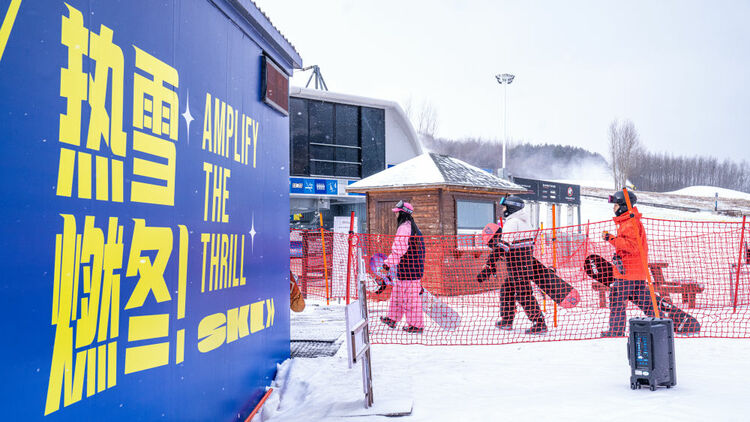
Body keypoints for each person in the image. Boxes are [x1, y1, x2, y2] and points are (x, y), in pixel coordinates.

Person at [478, 195, 548, 335]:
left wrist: (489, 265)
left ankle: (539, 323)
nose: (503, 209)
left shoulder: (513, 222)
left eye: (505, 207)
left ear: (511, 207)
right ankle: (507, 320)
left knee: (523, 294)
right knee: (507, 289)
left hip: (518, 265)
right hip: (524, 263)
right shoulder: (525, 222)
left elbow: (503, 246)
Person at [600, 189, 655, 337]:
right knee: (646, 303)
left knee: (617, 300)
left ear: (623, 206)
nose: (614, 208)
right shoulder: (629, 221)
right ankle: (660, 323)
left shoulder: (629, 223)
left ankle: (616, 331)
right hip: (635, 272)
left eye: (616, 205)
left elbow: (631, 246)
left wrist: (610, 238)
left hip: (627, 274)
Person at [378, 201, 426, 333]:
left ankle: (416, 325)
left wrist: (386, 265)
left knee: (411, 299)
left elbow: (398, 251)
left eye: (397, 212)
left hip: (409, 270)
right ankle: (392, 318)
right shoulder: (413, 227)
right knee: (397, 294)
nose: (395, 215)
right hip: (409, 269)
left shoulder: (404, 228)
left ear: (402, 213)